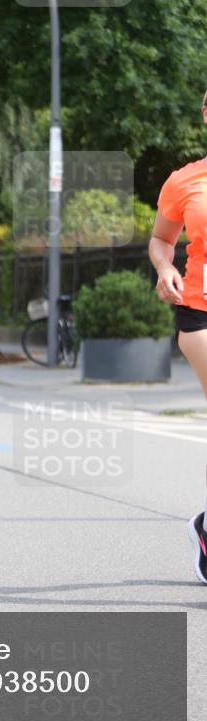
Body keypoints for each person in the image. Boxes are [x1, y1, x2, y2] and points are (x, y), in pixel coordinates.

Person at [149, 88, 207, 585]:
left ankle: (206, 526)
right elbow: (161, 239)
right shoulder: (185, 181)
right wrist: (165, 267)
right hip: (200, 313)